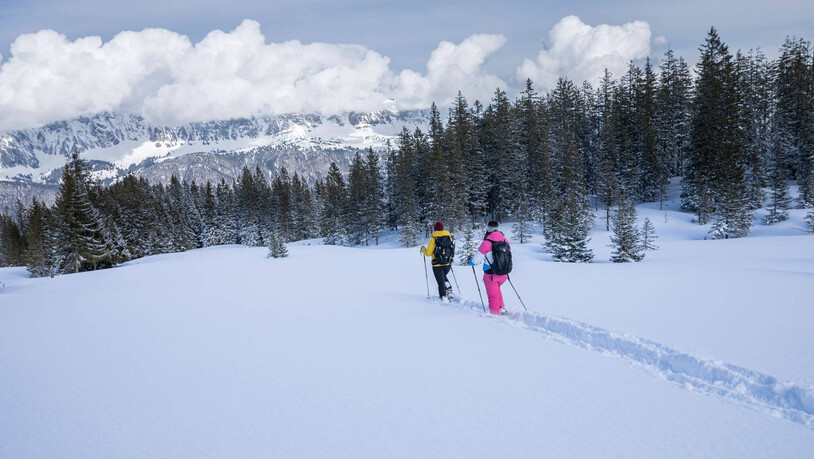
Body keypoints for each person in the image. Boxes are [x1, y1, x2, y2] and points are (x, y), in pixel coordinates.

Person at [468, 221, 510, 315]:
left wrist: (469, 261)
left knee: (492, 297)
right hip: (504, 273)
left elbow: (476, 261)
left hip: (491, 274)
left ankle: (495, 316)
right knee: (497, 288)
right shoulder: (505, 241)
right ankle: (501, 307)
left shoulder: (486, 243)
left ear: (487, 229)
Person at [420, 221, 455, 300]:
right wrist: (451, 259)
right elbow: (452, 249)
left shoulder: (433, 239)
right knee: (443, 277)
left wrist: (423, 250)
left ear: (435, 229)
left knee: (440, 282)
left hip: (437, 264)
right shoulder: (449, 237)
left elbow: (428, 253)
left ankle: (443, 298)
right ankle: (449, 291)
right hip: (448, 263)